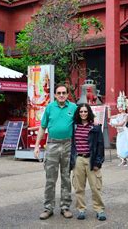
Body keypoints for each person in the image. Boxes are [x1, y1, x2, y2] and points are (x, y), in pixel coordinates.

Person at [34, 84, 77, 220]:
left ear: (67, 94)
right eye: (59, 93)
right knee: (50, 179)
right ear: (55, 95)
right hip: (52, 144)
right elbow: (42, 128)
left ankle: (65, 207)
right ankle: (48, 208)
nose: (61, 95)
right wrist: (36, 146)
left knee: (66, 177)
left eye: (64, 92)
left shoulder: (74, 108)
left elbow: (83, 124)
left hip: (68, 145)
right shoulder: (50, 108)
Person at [70, 103, 106, 221]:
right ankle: (81, 209)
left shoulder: (95, 127)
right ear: (78, 113)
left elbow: (100, 145)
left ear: (89, 112)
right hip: (78, 159)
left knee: (95, 186)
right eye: (81, 112)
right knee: (79, 187)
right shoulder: (74, 126)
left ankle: (99, 209)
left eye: (85, 111)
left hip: (91, 158)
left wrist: (98, 162)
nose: (83, 114)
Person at [109, 91, 128, 166]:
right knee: (119, 146)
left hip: (124, 132)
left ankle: (124, 160)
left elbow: (122, 123)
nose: (119, 108)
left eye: (121, 106)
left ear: (124, 107)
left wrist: (114, 124)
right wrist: (109, 110)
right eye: (118, 106)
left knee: (124, 146)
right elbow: (109, 117)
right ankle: (123, 160)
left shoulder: (126, 115)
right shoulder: (118, 115)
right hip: (120, 132)